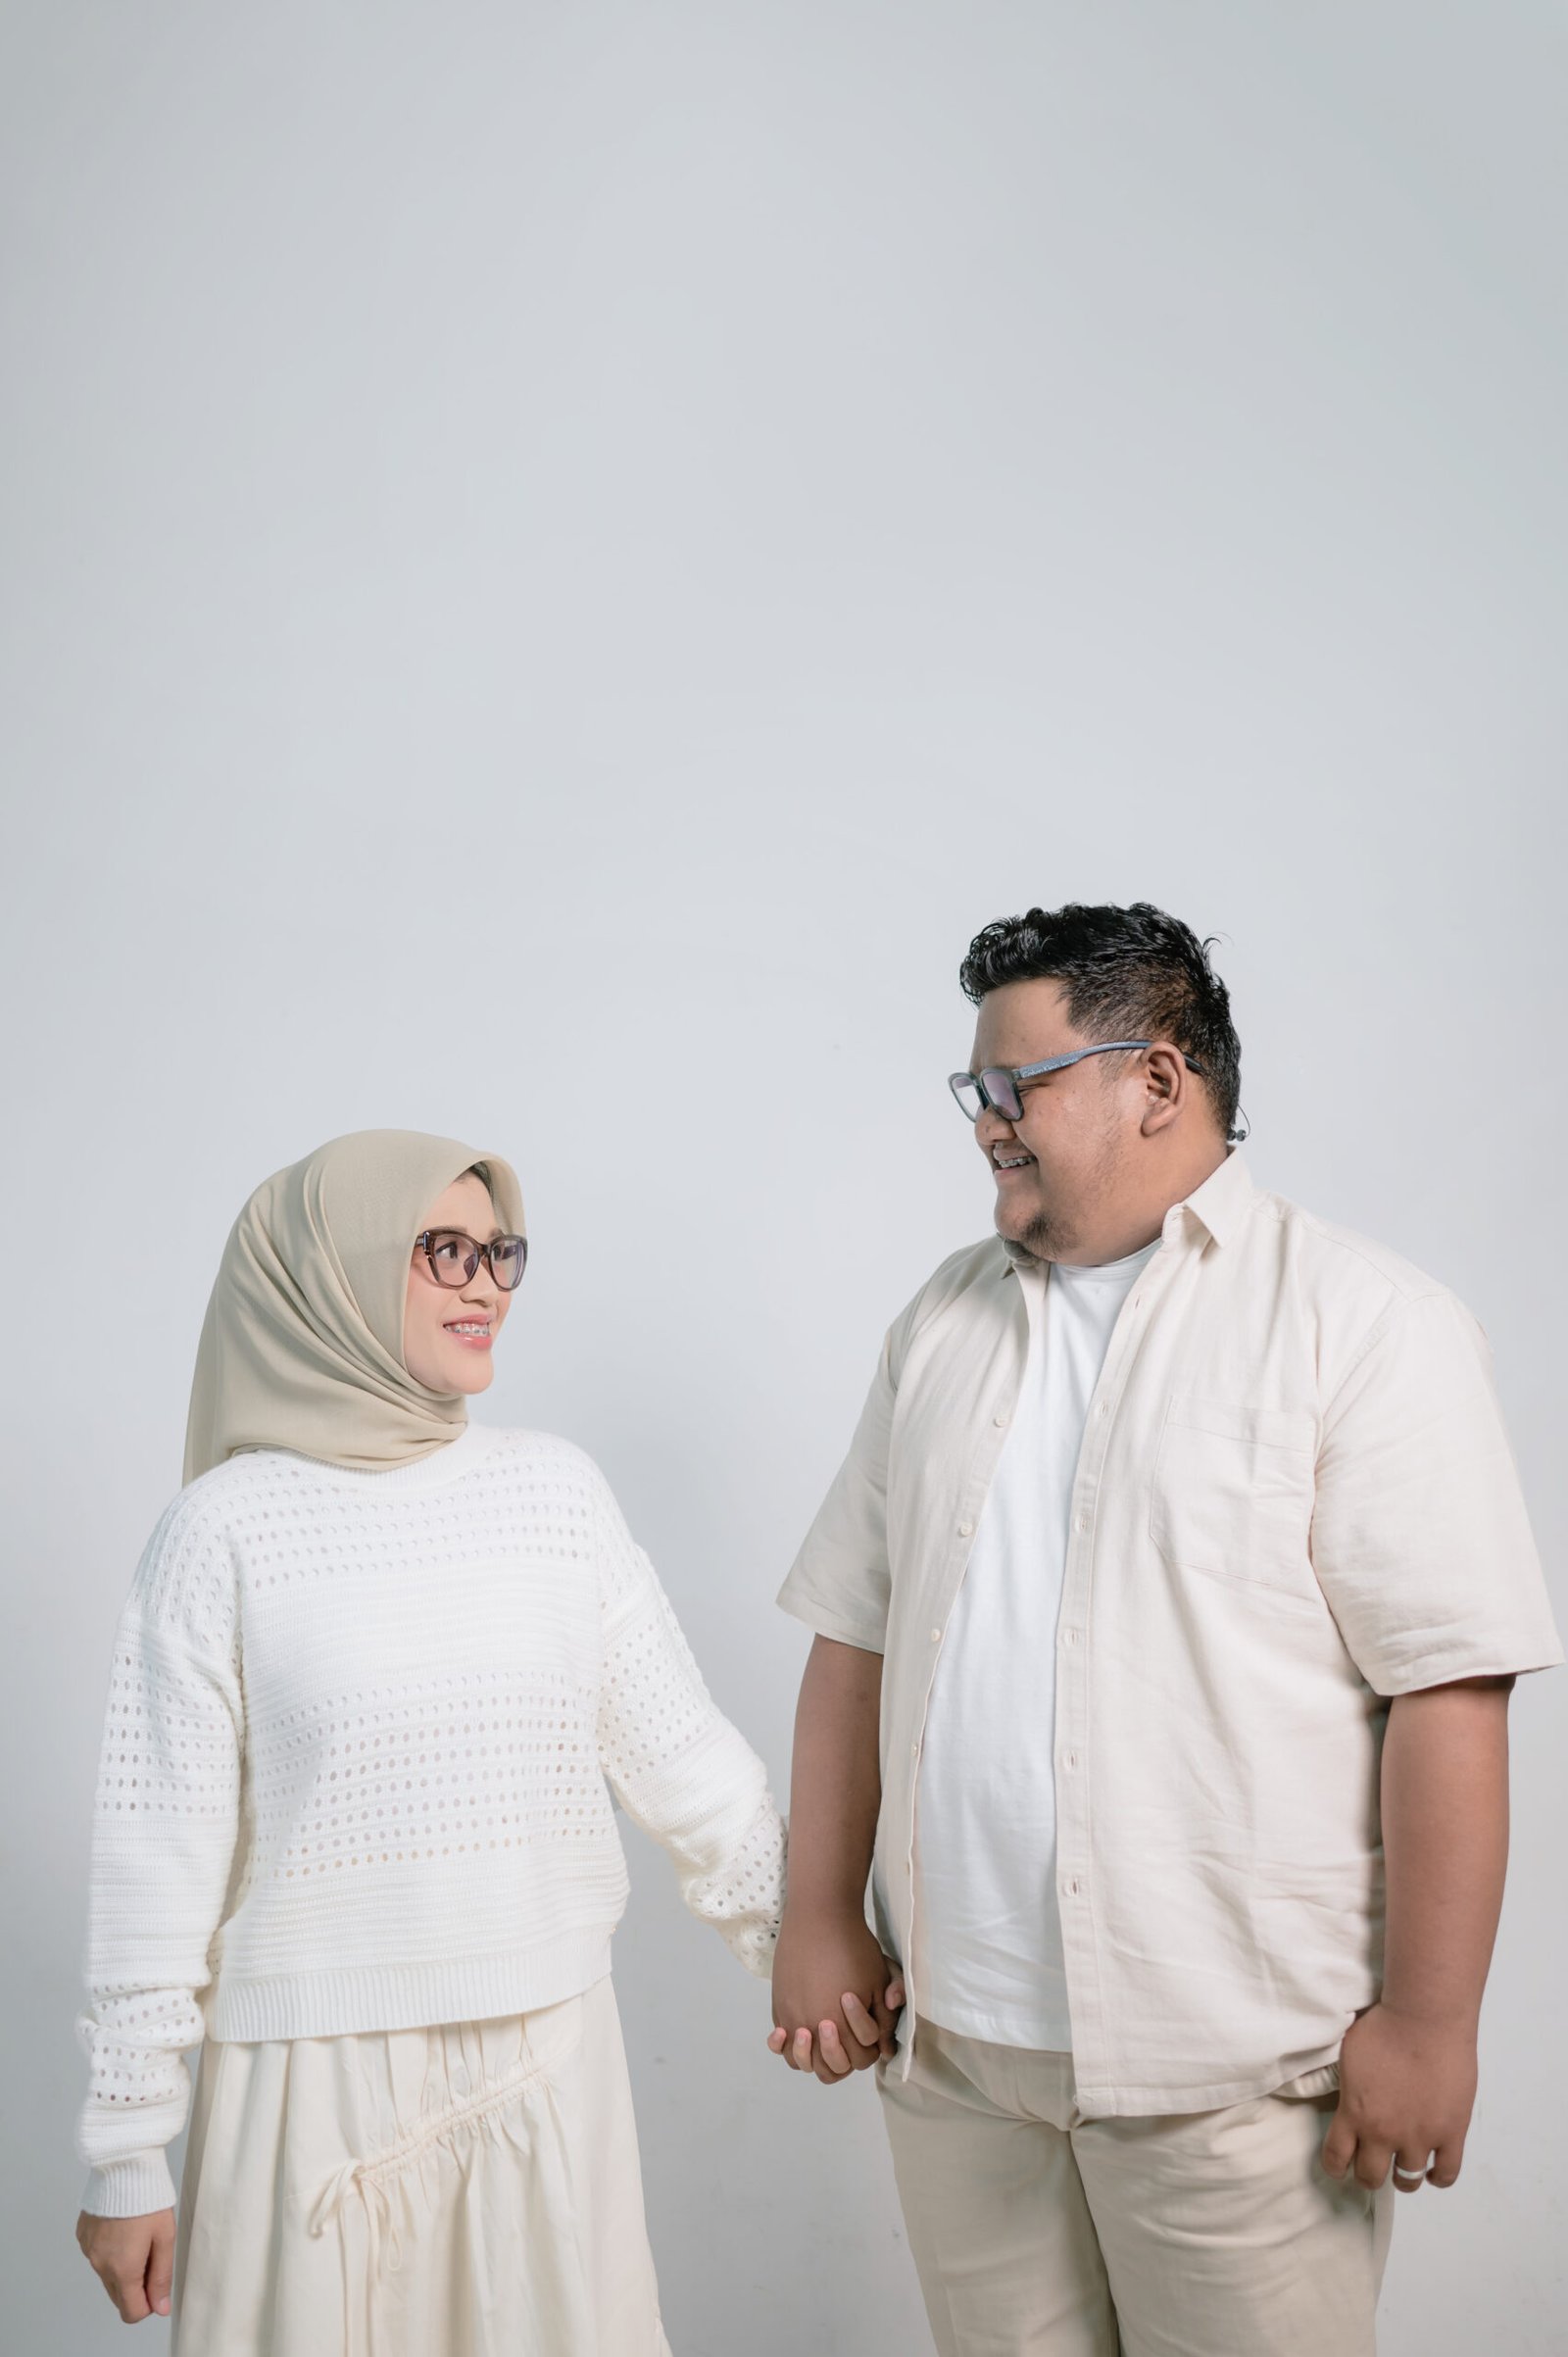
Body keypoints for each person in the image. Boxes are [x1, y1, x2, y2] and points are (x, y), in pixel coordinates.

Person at [767, 902, 1561, 2357]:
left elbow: (1446, 1688)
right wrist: (817, 1909)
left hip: (1237, 2078)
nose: (986, 1122)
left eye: (1017, 1085)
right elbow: (854, 1639)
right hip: (960, 2060)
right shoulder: (941, 1322)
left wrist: (1432, 2020)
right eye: (974, 1088)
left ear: (1156, 1079)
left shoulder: (1360, 1320)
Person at [74, 1128, 786, 2355]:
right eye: (441, 1247)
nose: (485, 1283)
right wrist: (128, 2146)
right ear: (332, 1269)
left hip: (548, 2064)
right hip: (309, 2097)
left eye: (500, 1251)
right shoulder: (223, 1530)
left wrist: (817, 1951)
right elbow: (156, 1861)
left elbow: (690, 1765)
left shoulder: (554, 1492)